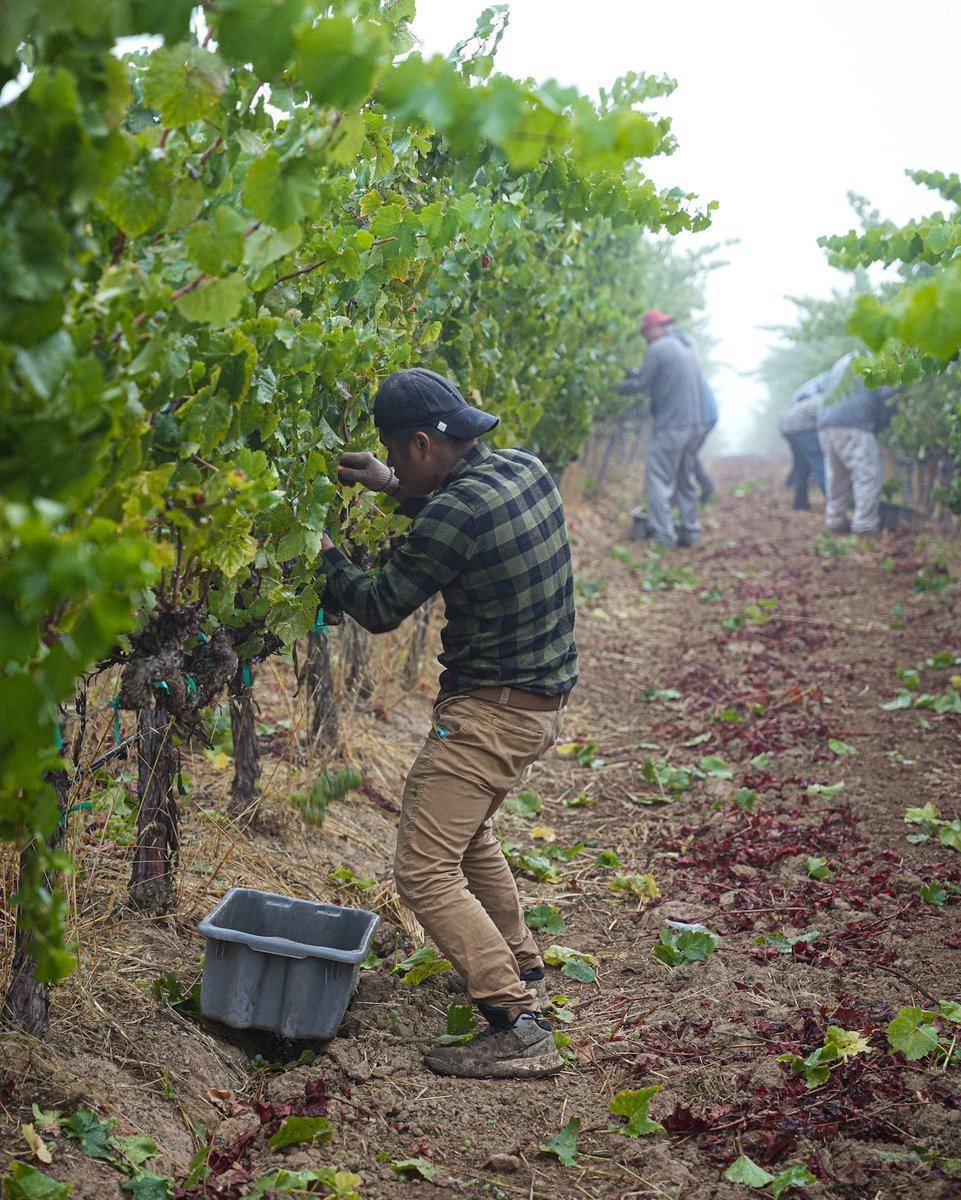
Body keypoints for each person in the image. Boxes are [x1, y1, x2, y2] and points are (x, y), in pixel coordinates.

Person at [319, 367, 577, 1080]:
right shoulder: (523, 469)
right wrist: (389, 484)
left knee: (423, 869)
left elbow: (378, 607)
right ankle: (522, 965)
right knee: (465, 837)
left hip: (490, 716)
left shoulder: (451, 512)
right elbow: (459, 516)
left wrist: (322, 550)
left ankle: (516, 1022)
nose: (394, 464)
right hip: (539, 706)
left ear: (424, 444)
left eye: (395, 453)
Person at [619, 310, 710, 547]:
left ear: (653, 329)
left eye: (646, 333)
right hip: (696, 425)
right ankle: (690, 531)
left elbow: (642, 383)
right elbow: (666, 375)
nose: (646, 339)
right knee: (685, 478)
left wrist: (615, 387)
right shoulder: (688, 344)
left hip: (671, 426)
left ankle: (664, 537)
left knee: (657, 479)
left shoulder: (658, 348)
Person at [817, 380, 900, 534]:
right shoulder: (881, 365)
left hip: (826, 424)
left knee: (836, 476)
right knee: (867, 476)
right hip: (855, 424)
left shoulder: (840, 366)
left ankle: (835, 520)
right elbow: (890, 394)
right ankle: (864, 526)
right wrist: (884, 421)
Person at [779, 353, 854, 510]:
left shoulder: (817, 384)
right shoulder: (829, 390)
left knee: (802, 465)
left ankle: (800, 502)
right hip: (802, 426)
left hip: (787, 424)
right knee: (820, 463)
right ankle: (833, 504)